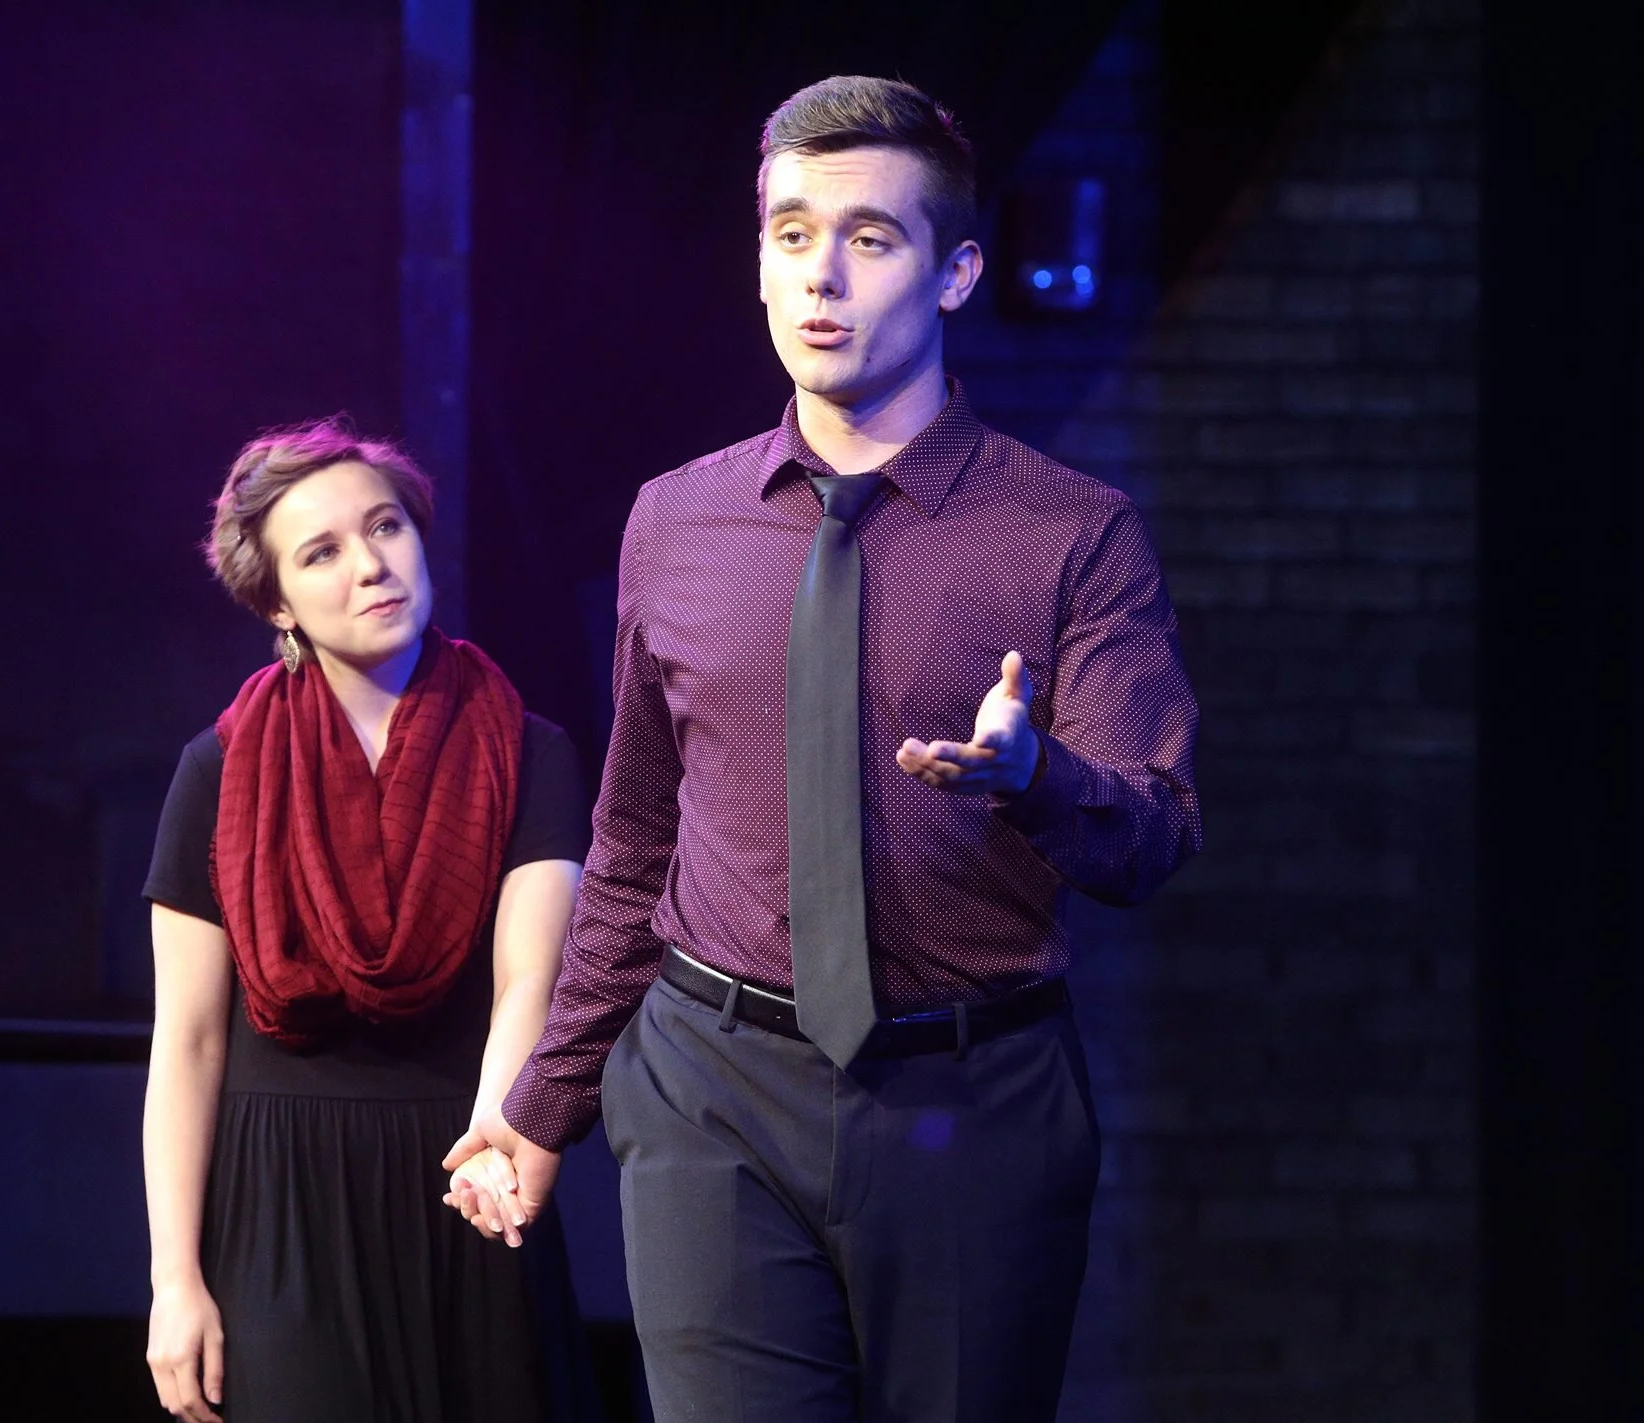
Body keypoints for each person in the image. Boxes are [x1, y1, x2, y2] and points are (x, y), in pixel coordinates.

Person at [444, 76, 1203, 1421]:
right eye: (791, 234)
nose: (822, 274)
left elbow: (1151, 834)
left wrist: (1036, 775)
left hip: (971, 1098)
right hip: (712, 1087)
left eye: (869, 237)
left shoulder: (1072, 533)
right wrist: (543, 1097)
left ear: (955, 273)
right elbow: (636, 837)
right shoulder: (675, 522)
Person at [141, 417, 597, 1423]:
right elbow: (189, 1039)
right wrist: (174, 1278)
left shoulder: (529, 750)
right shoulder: (218, 769)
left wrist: (500, 1127)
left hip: (468, 1165)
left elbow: (531, 977)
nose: (370, 564)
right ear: (275, 601)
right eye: (321, 552)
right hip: (280, 1195)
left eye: (385, 526)